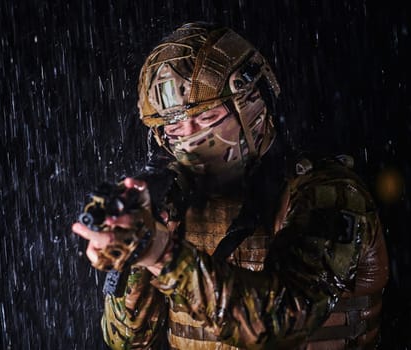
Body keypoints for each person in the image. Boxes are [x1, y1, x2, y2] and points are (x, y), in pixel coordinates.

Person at [72, 22, 389, 349]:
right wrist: (136, 255)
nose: (191, 139)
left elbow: (278, 324)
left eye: (206, 117)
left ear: (251, 102)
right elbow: (126, 341)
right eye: (175, 129)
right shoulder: (176, 202)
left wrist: (162, 253)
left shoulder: (327, 192)